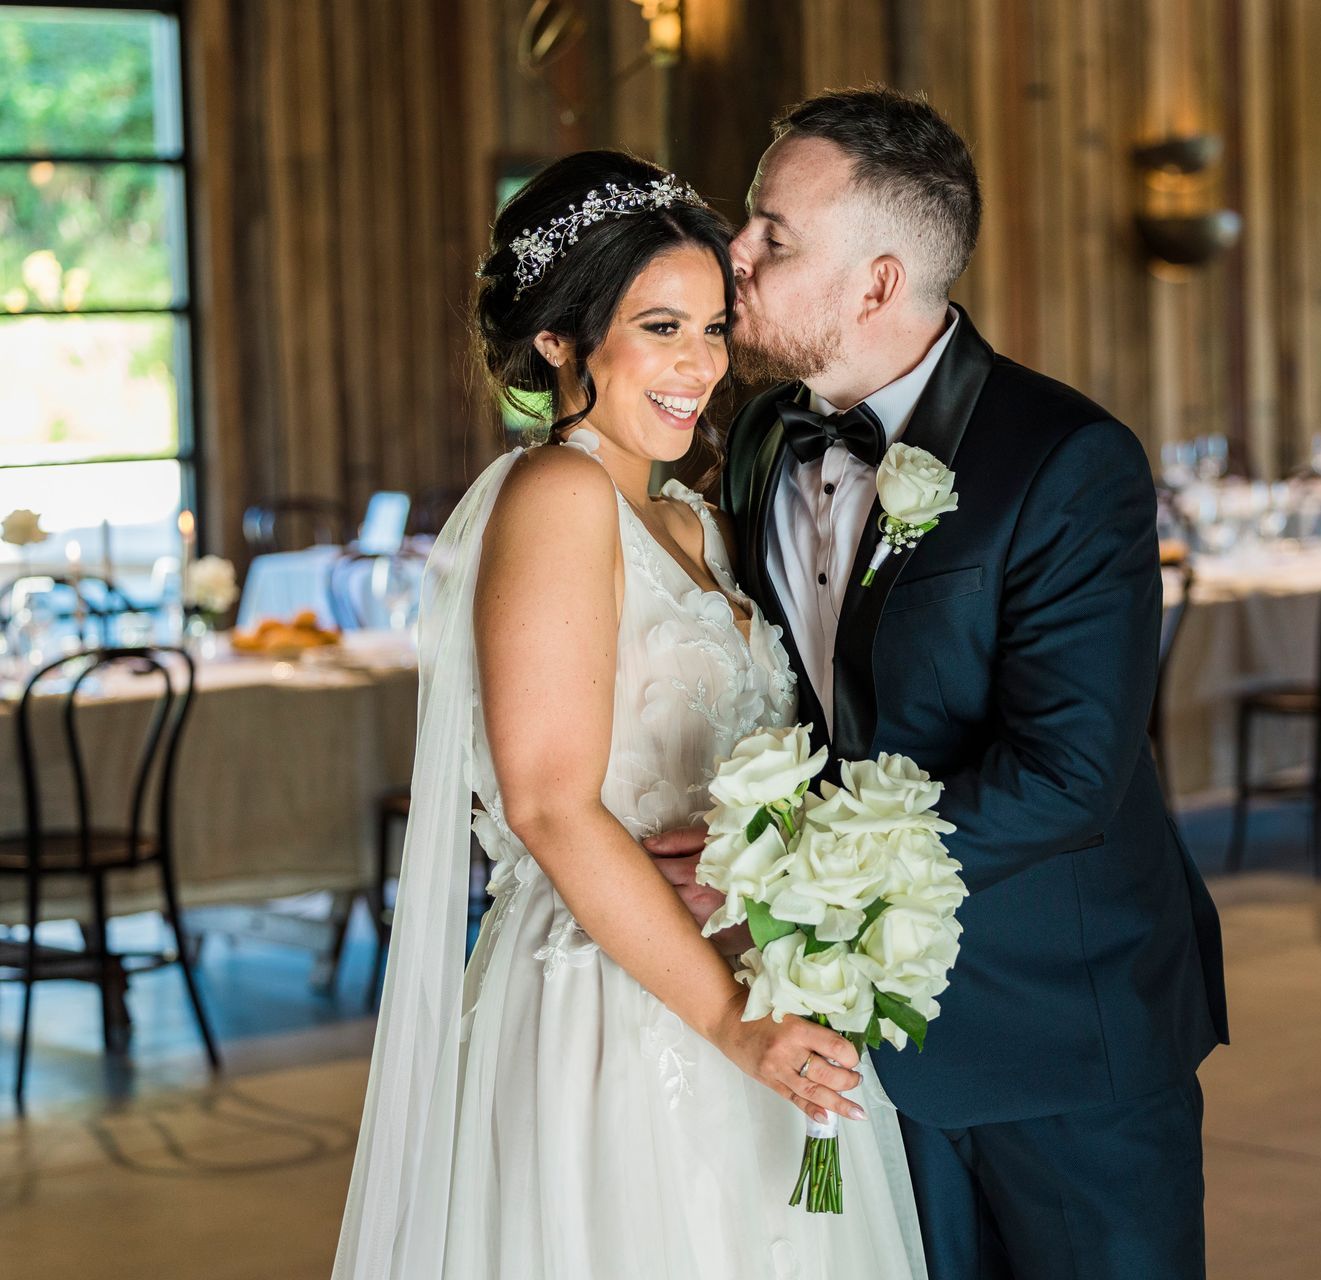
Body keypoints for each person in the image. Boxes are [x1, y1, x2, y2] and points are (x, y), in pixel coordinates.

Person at [647, 88, 1229, 1279]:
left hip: (1059, 1032)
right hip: (861, 1041)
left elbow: (1068, 777)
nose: (733, 258)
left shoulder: (1067, 459)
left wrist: (778, 857)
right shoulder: (763, 439)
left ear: (875, 282)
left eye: (772, 236)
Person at [331, 149, 926, 1280]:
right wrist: (728, 1022)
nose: (699, 365)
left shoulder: (695, 520)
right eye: (661, 327)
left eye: (712, 327)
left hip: (748, 974)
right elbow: (552, 803)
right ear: (560, 340)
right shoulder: (556, 497)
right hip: (617, 1001)